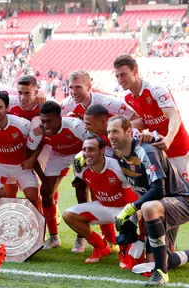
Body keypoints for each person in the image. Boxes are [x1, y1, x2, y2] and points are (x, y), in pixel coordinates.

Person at [60, 69, 136, 253]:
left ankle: (140, 244)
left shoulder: (110, 105)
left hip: (126, 190)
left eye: (78, 87)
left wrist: (126, 142)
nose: (73, 91)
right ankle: (107, 243)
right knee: (95, 189)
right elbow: (58, 118)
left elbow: (137, 119)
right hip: (100, 159)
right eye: (70, 87)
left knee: (133, 190)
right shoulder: (71, 107)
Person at [107, 116, 189, 285]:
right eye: (109, 132)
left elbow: (159, 189)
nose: (111, 136)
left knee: (149, 207)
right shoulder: (119, 155)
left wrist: (130, 208)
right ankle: (163, 264)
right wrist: (134, 212)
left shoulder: (146, 150)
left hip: (181, 200)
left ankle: (161, 274)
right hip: (164, 205)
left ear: (128, 132)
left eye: (115, 131)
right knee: (160, 259)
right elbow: (142, 188)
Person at [63, 135, 139, 263]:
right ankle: (101, 247)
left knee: (127, 220)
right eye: (84, 149)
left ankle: (126, 252)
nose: (87, 153)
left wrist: (139, 211)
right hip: (104, 206)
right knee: (69, 215)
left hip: (126, 209)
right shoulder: (81, 169)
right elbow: (80, 188)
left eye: (91, 149)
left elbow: (140, 188)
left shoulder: (118, 167)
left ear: (102, 150)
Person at [113, 54, 189, 182]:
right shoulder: (127, 97)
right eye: (117, 76)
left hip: (177, 148)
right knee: (164, 192)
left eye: (123, 74)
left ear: (135, 71)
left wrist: (169, 139)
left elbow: (174, 116)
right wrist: (121, 128)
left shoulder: (156, 88)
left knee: (184, 192)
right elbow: (145, 121)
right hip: (157, 150)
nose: (120, 80)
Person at [27, 101, 87, 249]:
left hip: (80, 154)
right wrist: (44, 181)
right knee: (46, 193)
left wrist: (81, 175)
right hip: (58, 155)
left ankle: (81, 237)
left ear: (60, 119)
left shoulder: (75, 126)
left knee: (81, 189)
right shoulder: (38, 132)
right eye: (43, 121)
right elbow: (30, 156)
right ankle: (54, 237)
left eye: (50, 121)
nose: (46, 125)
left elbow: (93, 144)